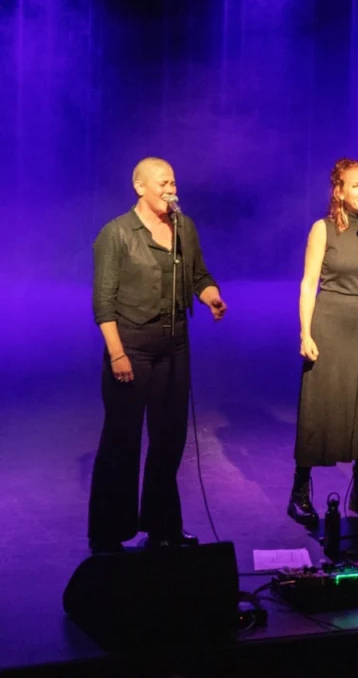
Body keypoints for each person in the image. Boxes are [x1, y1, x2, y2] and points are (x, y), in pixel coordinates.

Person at [89, 157, 227, 554]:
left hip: (174, 346)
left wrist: (211, 296)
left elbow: (199, 275)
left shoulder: (185, 227)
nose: (170, 189)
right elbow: (103, 301)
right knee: (122, 438)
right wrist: (117, 354)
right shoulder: (117, 233)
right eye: (162, 183)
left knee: (169, 438)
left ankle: (163, 524)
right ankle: (108, 531)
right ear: (140, 187)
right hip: (131, 346)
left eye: (173, 182)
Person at [287, 158, 358, 526]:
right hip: (331, 320)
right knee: (321, 405)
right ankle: (300, 492)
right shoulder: (323, 229)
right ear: (339, 191)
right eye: (356, 185)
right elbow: (308, 284)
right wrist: (305, 332)